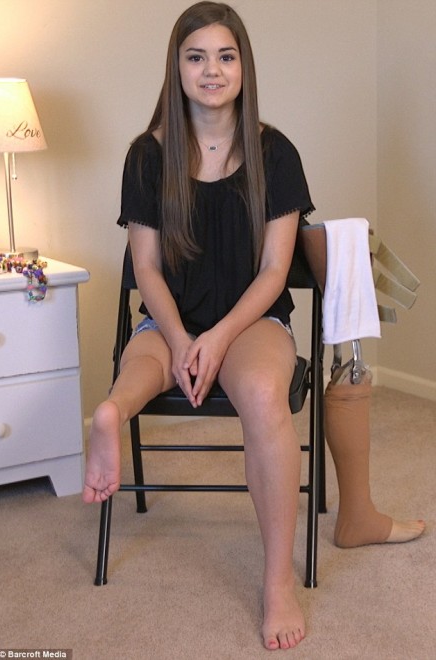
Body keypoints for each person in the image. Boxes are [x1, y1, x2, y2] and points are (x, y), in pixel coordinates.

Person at [83, 1, 424, 651]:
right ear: (176, 67)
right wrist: (182, 338)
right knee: (142, 367)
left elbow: (274, 271)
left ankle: (276, 583)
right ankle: (111, 418)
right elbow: (146, 268)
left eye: (225, 56)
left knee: (265, 393)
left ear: (244, 66)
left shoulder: (275, 152)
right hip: (168, 320)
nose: (211, 70)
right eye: (196, 57)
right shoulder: (147, 156)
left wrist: (215, 338)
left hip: (253, 321)